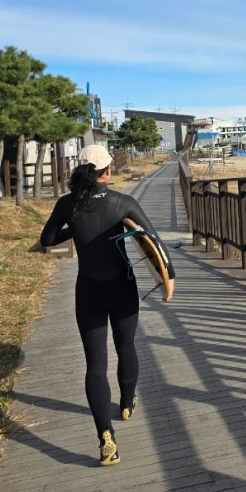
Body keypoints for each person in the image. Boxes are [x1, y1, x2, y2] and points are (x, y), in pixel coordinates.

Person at [39, 144, 175, 466]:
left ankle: (105, 437)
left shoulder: (67, 203)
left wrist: (76, 227)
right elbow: (154, 242)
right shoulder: (121, 202)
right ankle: (126, 404)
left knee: (95, 365)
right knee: (126, 346)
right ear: (107, 171)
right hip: (121, 287)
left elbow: (47, 240)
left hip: (87, 291)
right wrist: (168, 280)